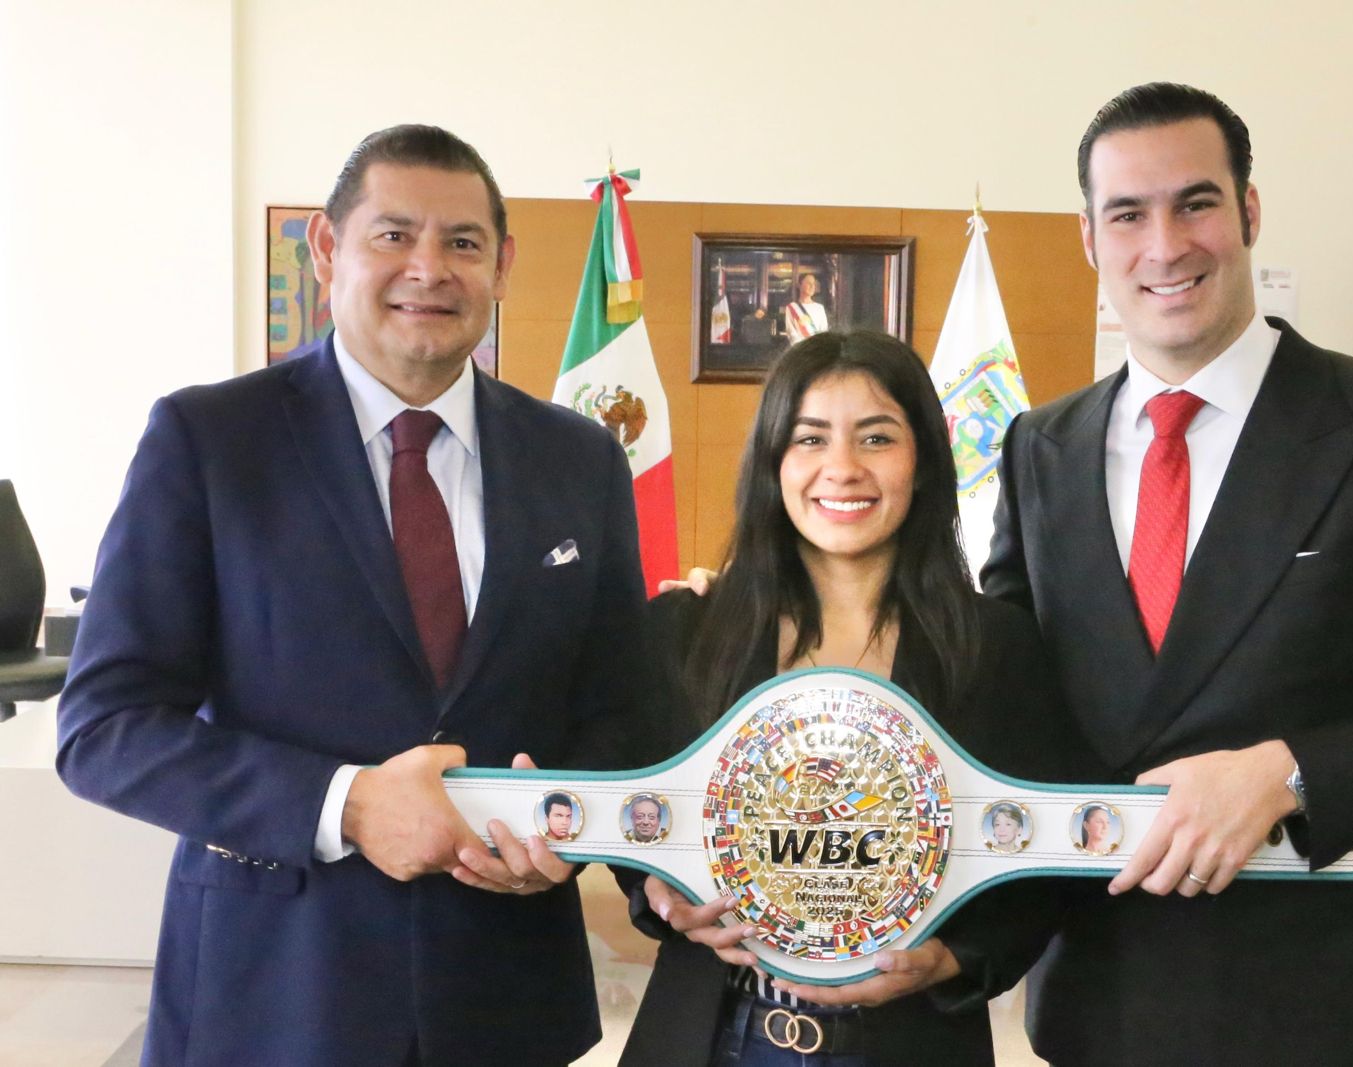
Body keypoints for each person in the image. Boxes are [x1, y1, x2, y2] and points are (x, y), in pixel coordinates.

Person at [982, 83, 1353, 1065]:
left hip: (1330, 996)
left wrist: (1288, 771)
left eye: (1196, 203)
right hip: (1106, 991)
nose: (1165, 245)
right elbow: (998, 682)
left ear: (1248, 211)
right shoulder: (1039, 446)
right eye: (1127, 214)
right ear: (1089, 238)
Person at [56, 125, 647, 1066]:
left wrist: (566, 826)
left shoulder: (579, 459)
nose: (430, 268)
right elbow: (104, 728)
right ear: (329, 248)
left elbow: (622, 708)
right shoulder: (210, 441)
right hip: (274, 995)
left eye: (463, 242)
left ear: (502, 266)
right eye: (394, 234)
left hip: (506, 997)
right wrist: (347, 804)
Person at [611, 331, 1090, 1066]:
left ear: (923, 462)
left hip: (911, 1043)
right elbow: (627, 800)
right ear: (773, 462)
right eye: (810, 438)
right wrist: (658, 890)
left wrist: (953, 959)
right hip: (713, 1034)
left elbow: (1048, 856)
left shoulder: (999, 646)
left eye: (876, 437)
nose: (842, 467)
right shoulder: (684, 630)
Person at [784, 272, 829, 341]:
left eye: (813, 284)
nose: (812, 286)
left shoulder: (820, 308)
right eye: (808, 283)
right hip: (800, 346)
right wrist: (803, 346)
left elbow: (824, 331)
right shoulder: (791, 307)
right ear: (799, 285)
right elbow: (791, 332)